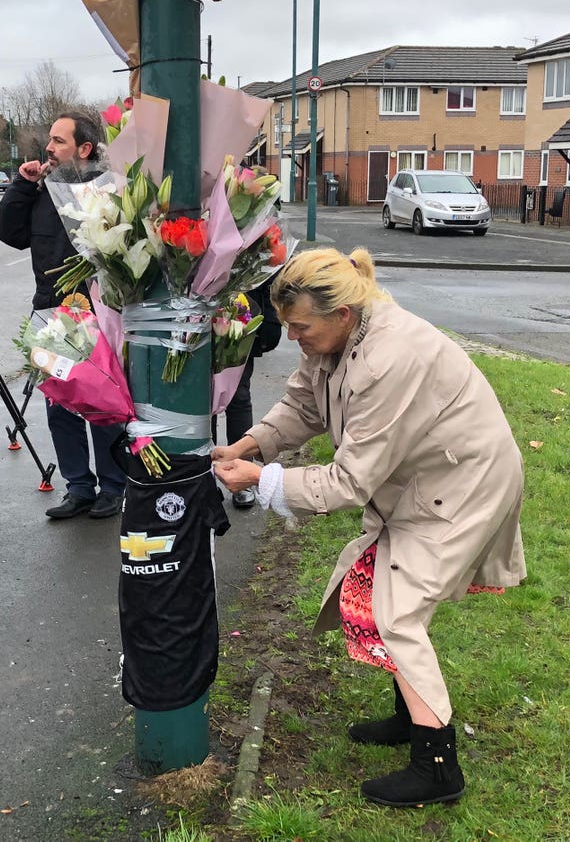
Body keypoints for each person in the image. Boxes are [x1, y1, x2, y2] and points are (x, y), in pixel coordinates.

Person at [212, 246, 526, 807]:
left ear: (343, 315)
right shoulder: (337, 338)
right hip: (422, 479)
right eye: (287, 325)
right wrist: (251, 443)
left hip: (462, 483)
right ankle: (411, 715)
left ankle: (437, 767)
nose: (292, 339)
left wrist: (263, 480)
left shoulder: (389, 357)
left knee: (394, 611)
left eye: (300, 327)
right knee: (374, 588)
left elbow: (348, 482)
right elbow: (304, 407)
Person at [0, 112, 126, 520]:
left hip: (97, 313)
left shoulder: (109, 191)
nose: (48, 149)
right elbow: (10, 234)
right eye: (49, 141)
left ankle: (113, 486)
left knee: (102, 405)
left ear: (83, 149)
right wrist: (23, 183)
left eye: (58, 141)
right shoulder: (42, 191)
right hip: (49, 311)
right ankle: (79, 487)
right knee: (61, 405)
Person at [212, 275, 282, 509]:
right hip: (198, 311)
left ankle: (242, 475)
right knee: (200, 402)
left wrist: (270, 319)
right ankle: (204, 477)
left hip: (241, 312)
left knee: (238, 396)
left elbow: (267, 270)